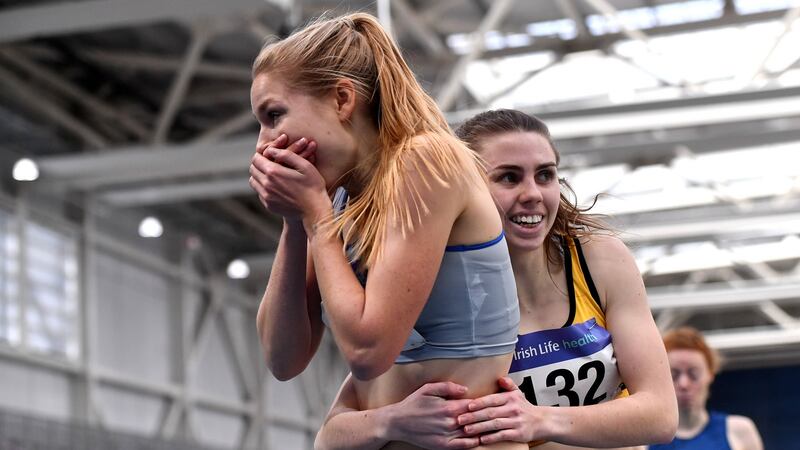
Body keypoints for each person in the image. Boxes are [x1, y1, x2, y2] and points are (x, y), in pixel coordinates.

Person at [314, 109, 678, 450]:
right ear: (465, 191)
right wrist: (389, 421)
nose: (532, 195)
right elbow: (331, 433)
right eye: (508, 177)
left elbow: (660, 413)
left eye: (545, 175)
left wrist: (540, 420)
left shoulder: (599, 258)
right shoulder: (430, 288)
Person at [248, 13, 525, 450]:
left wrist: (317, 217)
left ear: (342, 99)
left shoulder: (426, 160)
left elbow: (369, 351)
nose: (264, 145)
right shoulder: (337, 200)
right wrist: (294, 223)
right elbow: (282, 359)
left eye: (274, 115)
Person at [648, 327, 763, 450]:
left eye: (694, 374)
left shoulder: (739, 431)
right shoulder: (644, 438)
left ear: (710, 375)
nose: (684, 384)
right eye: (674, 375)